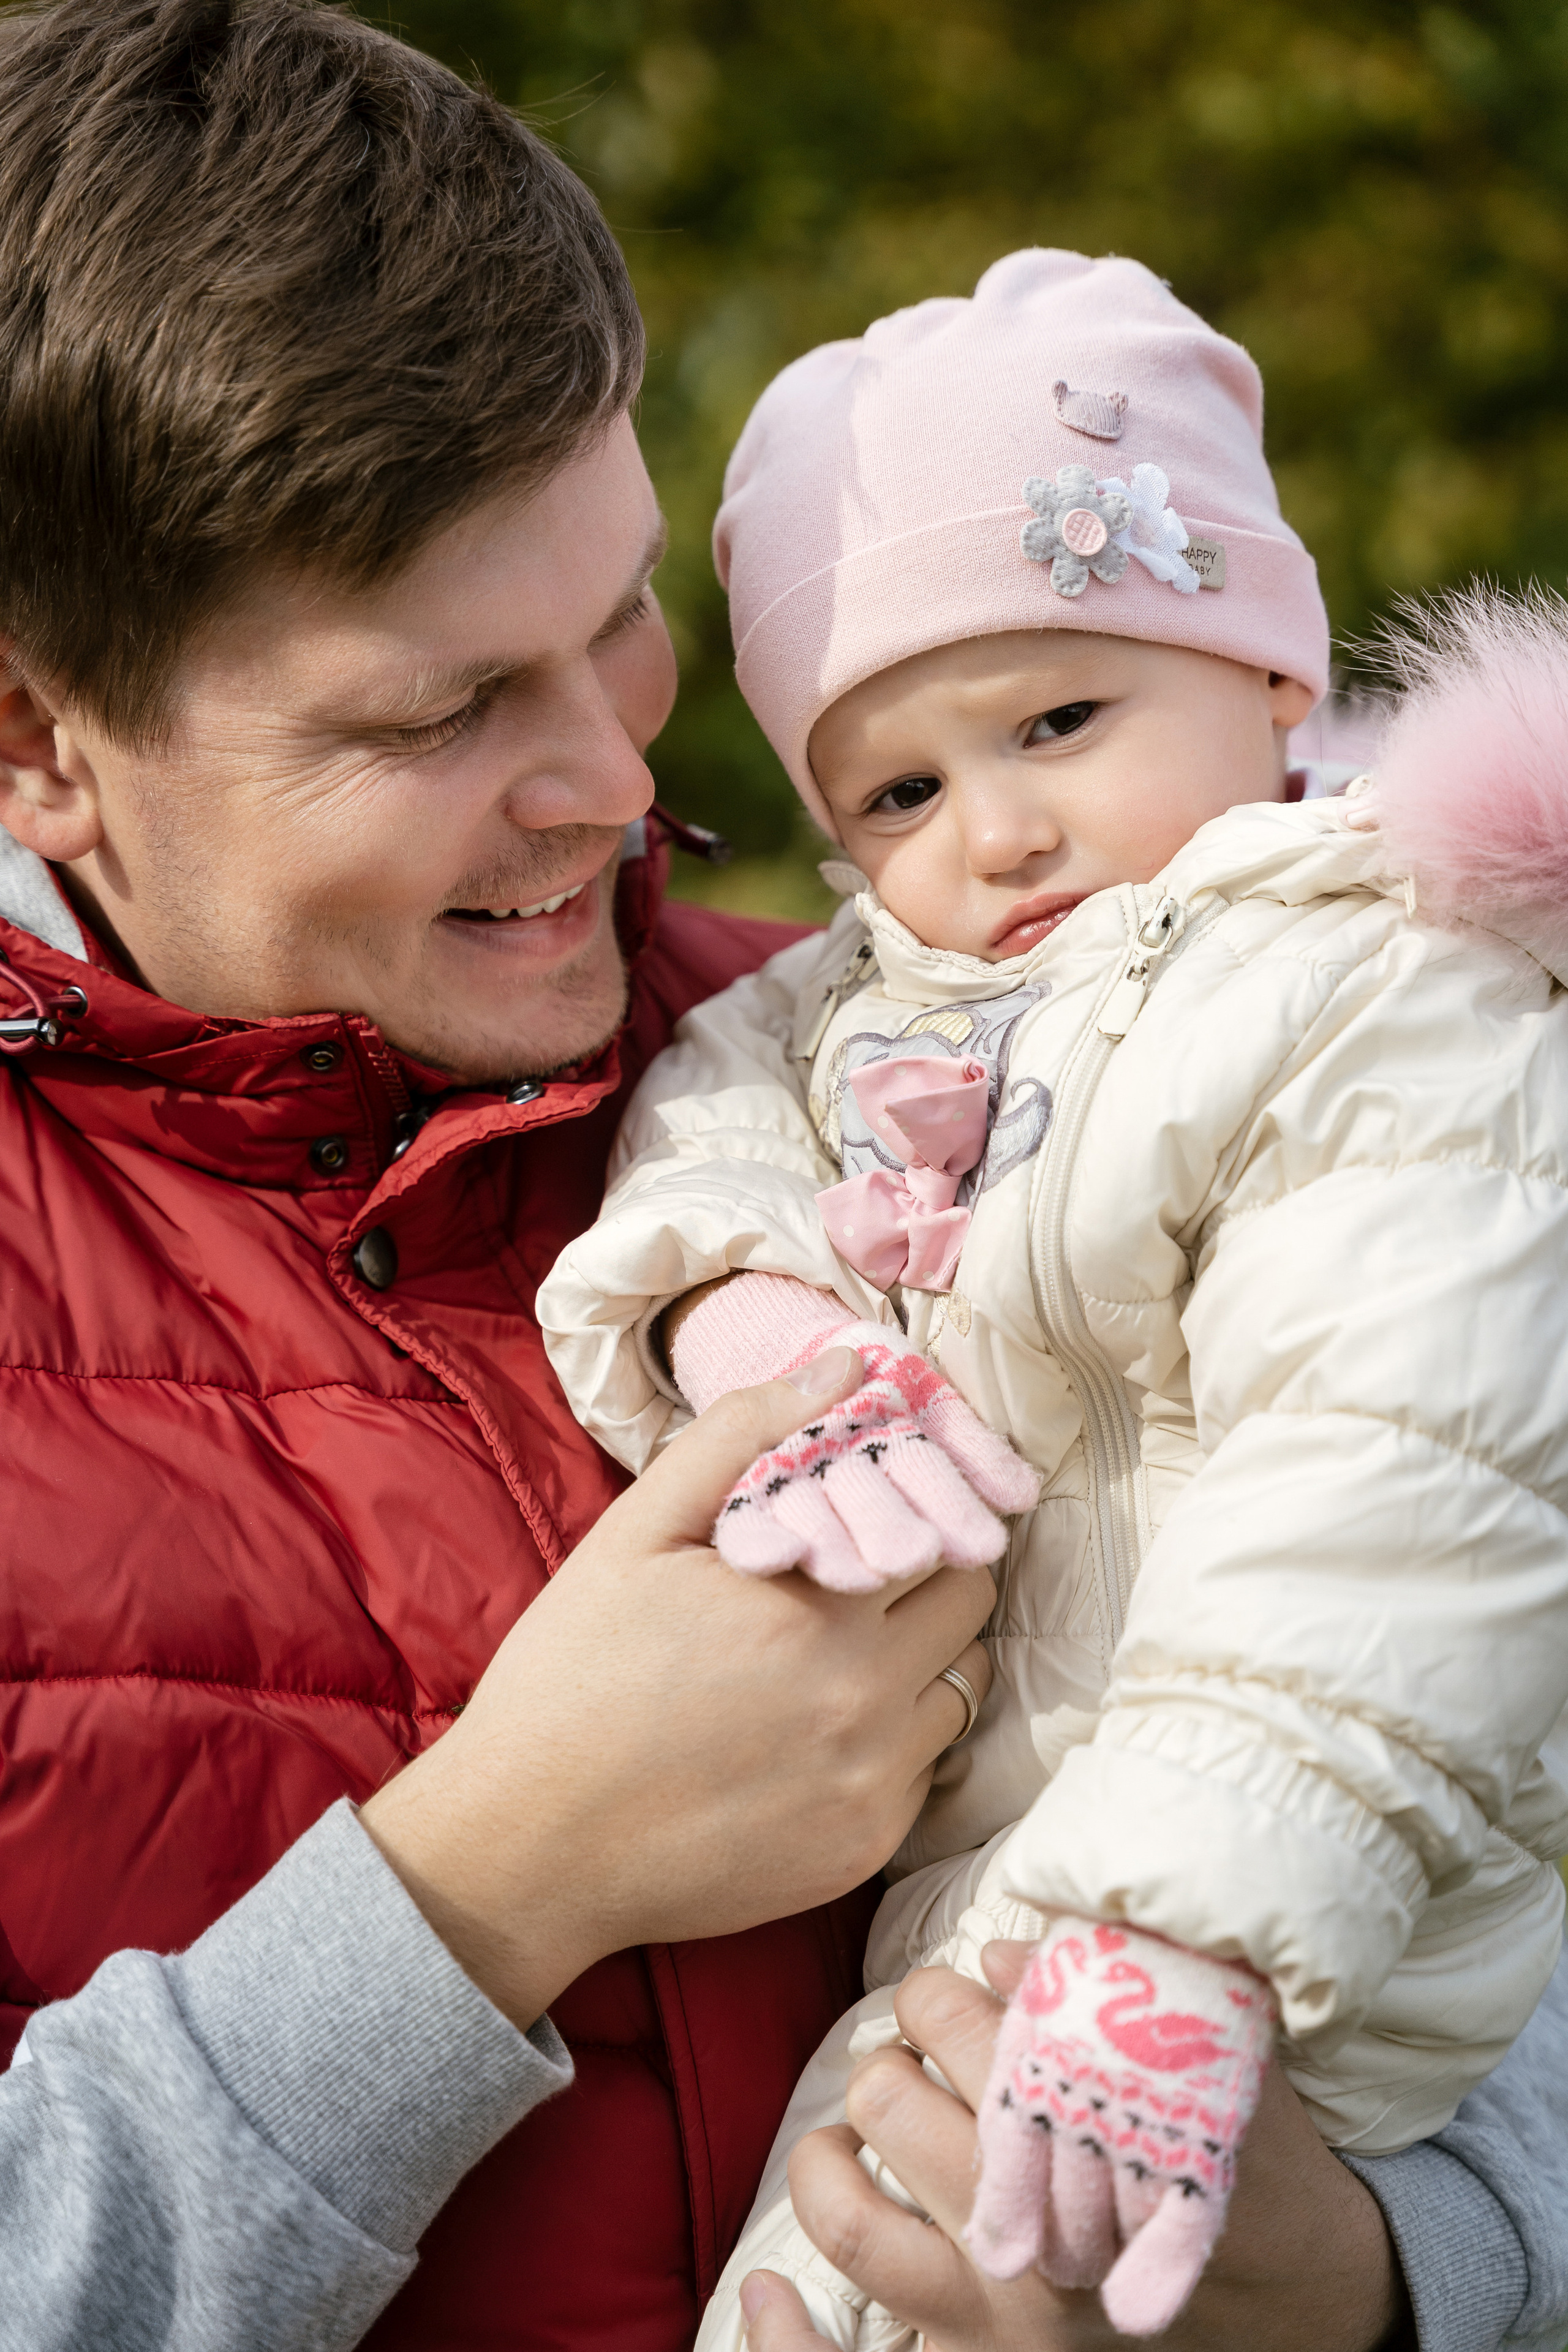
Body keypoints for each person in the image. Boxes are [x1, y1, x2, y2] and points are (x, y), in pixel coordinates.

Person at [0, 9, 1558, 2349]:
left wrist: (1399, 2275)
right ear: (42, 743)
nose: (614, 790)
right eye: (435, 714)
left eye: (620, 616)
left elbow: (1454, 1665)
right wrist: (489, 1882)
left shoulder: (984, 1046)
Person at [537, 252, 1568, 2345]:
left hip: (1284, 1893)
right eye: (896, 793)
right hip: (998, 1898)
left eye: (1060, 721)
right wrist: (765, 1333)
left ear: (1271, 674)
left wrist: (1175, 1929)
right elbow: (713, 1116)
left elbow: (1398, 1481)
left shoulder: (1381, 990)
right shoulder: (882, 999)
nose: (996, 832)